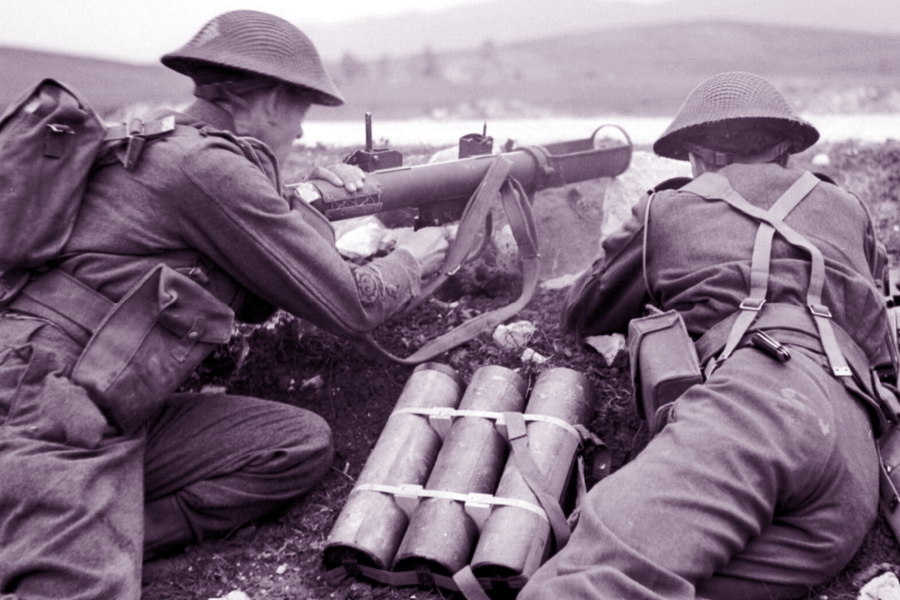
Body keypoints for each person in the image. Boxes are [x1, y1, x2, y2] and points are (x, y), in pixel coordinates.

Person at [0, 10, 448, 600]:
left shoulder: (169, 146)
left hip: (106, 395)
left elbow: (257, 293)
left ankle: (107, 530)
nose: (303, 132)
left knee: (295, 445)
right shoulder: (205, 166)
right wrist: (416, 257)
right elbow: (350, 306)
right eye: (302, 111)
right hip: (47, 411)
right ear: (267, 100)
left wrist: (306, 208)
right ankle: (58, 539)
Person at [519, 72, 897, 599]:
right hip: (853, 466)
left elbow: (584, 309)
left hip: (760, 408)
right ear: (786, 150)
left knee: (587, 580)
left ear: (700, 157)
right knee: (690, 580)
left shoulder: (670, 209)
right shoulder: (846, 207)